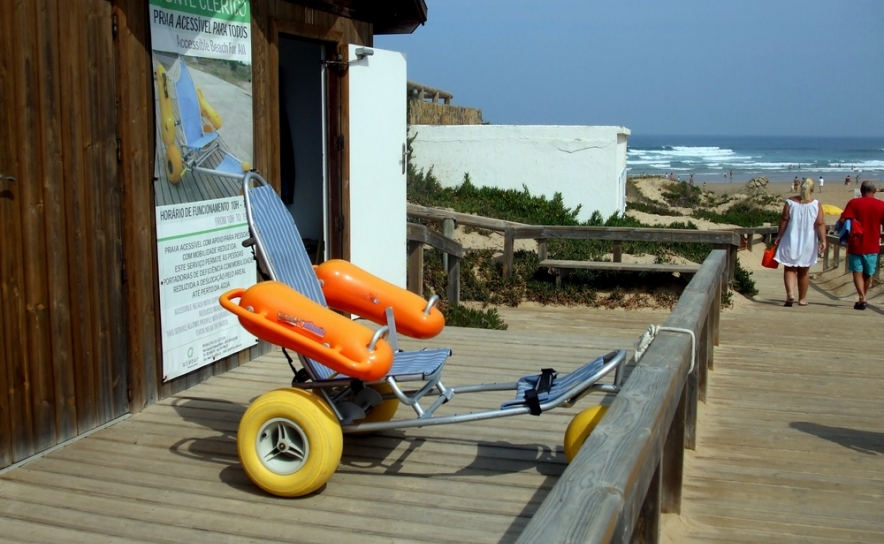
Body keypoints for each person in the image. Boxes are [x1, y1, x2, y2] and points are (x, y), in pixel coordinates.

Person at [774, 178, 826, 307]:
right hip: (808, 240)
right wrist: (823, 240)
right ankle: (802, 299)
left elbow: (784, 219)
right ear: (812, 189)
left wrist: (779, 235)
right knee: (804, 270)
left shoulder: (790, 202)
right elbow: (819, 223)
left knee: (789, 268)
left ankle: (790, 294)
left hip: (791, 239)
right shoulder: (816, 204)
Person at [839, 180, 884, 310]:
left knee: (857, 271)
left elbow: (843, 220)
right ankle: (863, 297)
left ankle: (862, 297)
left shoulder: (853, 203)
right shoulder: (881, 205)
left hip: (856, 242)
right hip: (872, 243)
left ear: (861, 190)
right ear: (874, 191)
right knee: (868, 273)